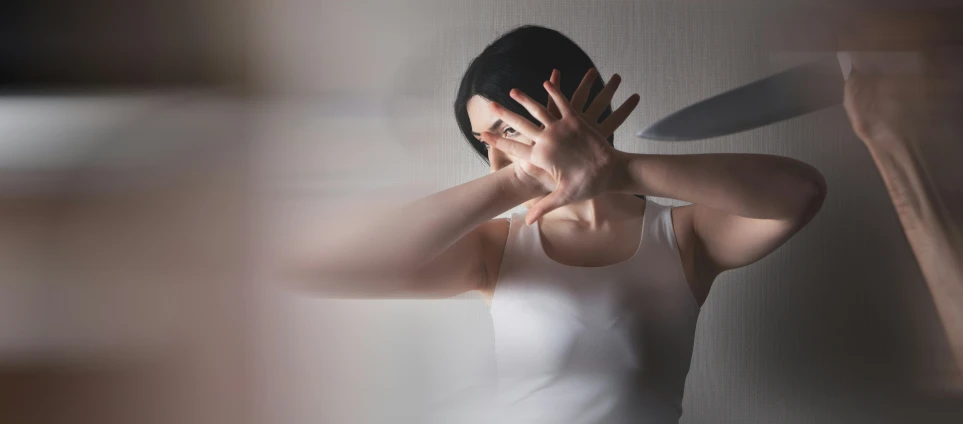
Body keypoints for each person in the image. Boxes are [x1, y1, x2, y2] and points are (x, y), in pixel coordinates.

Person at [294, 26, 827, 423]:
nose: (498, 158)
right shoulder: (497, 250)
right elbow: (334, 265)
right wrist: (518, 182)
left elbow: (799, 193)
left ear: (571, 106)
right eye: (486, 143)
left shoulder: (683, 238)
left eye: (508, 129)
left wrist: (618, 170)